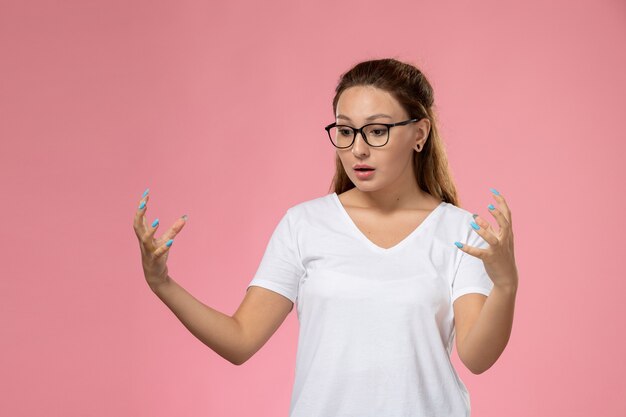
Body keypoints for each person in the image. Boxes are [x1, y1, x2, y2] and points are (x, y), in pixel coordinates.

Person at [133, 57, 519, 417]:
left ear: (419, 133)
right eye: (346, 131)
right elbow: (240, 339)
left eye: (378, 130)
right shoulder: (304, 224)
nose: (359, 149)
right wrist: (162, 284)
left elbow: (477, 357)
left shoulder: (458, 230)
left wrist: (505, 285)